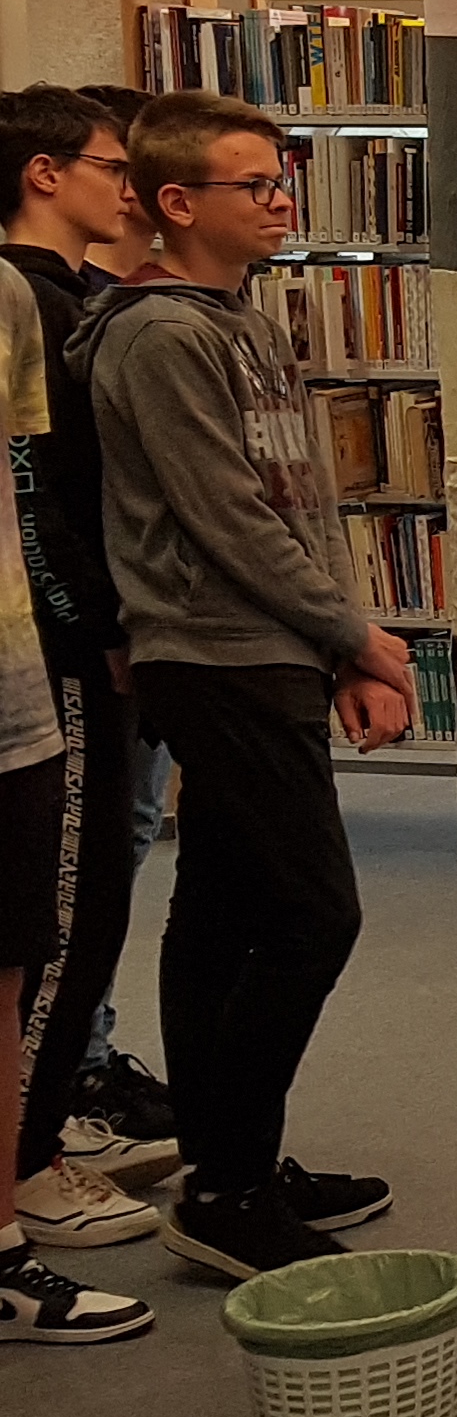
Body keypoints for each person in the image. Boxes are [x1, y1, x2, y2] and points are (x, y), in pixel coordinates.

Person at [74, 91, 413, 1280]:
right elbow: (224, 517)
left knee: (218, 909)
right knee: (316, 915)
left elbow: (301, 499)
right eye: (253, 185)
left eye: (281, 180)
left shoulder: (245, 324)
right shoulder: (159, 336)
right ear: (176, 203)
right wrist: (356, 636)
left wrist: (341, 647)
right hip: (212, 653)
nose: (279, 202)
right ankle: (227, 1182)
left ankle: (231, 1165)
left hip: (272, 647)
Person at [2, 88, 165, 1255]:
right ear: (45, 174)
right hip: (61, 657)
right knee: (65, 909)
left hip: (87, 642)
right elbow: (39, 502)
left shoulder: (85, 303)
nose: (129, 187)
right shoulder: (30, 305)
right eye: (113, 165)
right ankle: (26, 1156)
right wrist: (98, 629)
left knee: (96, 893)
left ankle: (49, 1115)